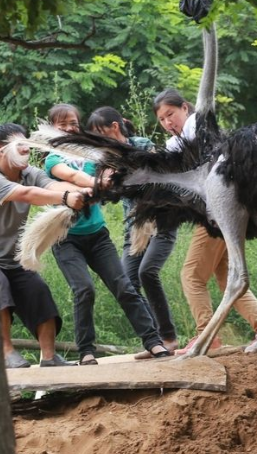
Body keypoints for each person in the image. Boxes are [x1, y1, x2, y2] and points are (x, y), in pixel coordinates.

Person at [153, 89, 257, 354]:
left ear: (185, 109)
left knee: (191, 276)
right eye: (162, 120)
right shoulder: (185, 137)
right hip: (227, 212)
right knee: (226, 277)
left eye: (171, 114)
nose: (168, 123)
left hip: (217, 212)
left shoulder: (196, 127)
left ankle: (207, 336)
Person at [44, 103, 171, 365]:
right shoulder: (52, 160)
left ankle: (154, 342)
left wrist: (110, 177)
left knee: (124, 287)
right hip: (65, 238)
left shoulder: (94, 155)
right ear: (51, 128)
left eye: (73, 124)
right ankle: (87, 351)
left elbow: (110, 172)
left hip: (97, 236)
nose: (69, 128)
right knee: (84, 290)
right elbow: (70, 176)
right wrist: (97, 183)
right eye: (62, 124)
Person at [0, 122, 88, 368]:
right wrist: (67, 198)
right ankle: (5, 352)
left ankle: (49, 358)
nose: (26, 150)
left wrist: (89, 190)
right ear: (0, 150)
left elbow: (52, 186)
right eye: (20, 146)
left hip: (13, 259)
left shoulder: (30, 172)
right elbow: (27, 194)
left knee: (39, 291)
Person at [86, 106, 180, 357]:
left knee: (147, 271)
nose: (98, 140)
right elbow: (107, 197)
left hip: (161, 220)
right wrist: (103, 185)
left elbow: (155, 177)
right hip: (134, 229)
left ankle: (168, 337)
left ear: (114, 127)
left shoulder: (141, 144)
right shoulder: (104, 159)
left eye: (100, 133)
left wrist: (122, 173)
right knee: (126, 282)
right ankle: (155, 340)